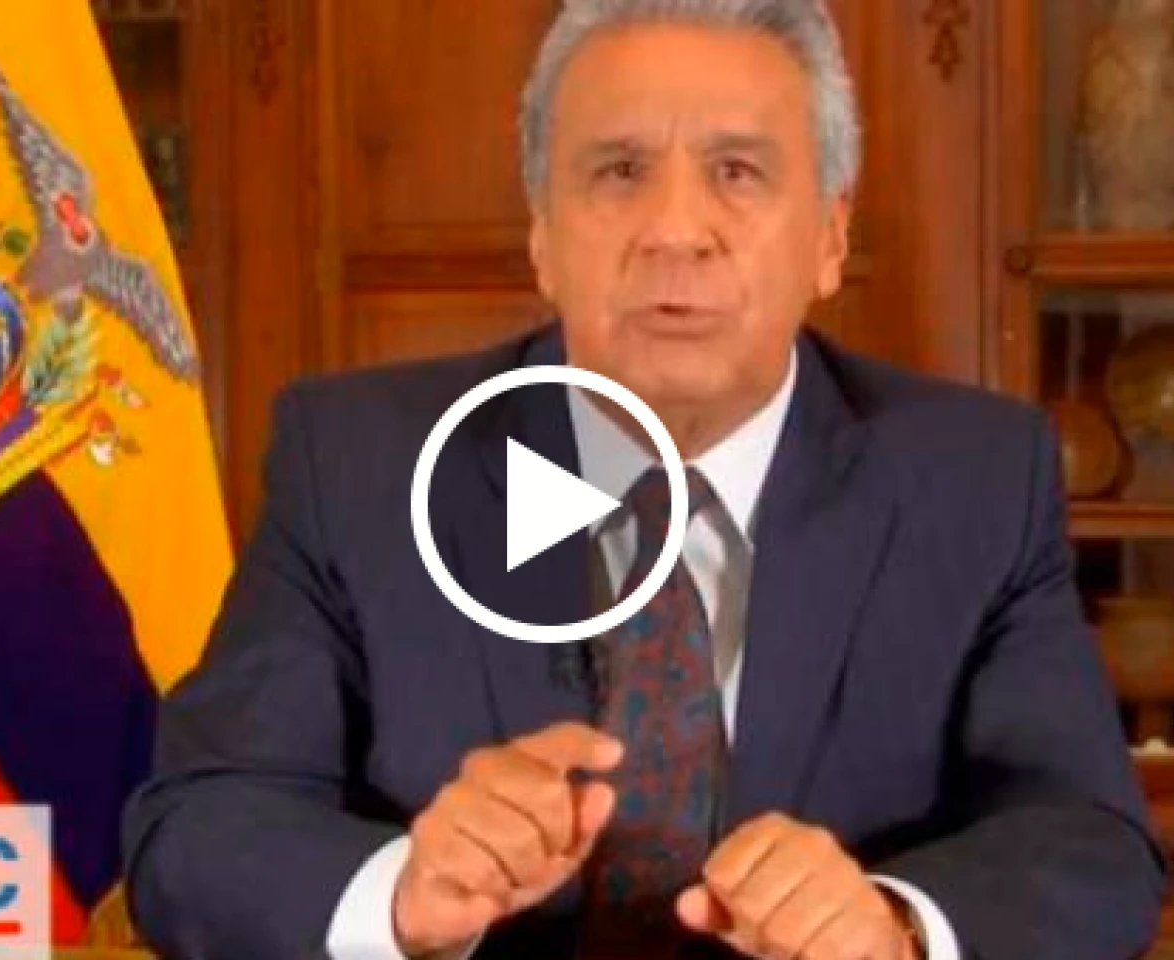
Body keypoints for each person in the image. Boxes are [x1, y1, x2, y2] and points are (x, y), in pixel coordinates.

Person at [122, 1, 1166, 958]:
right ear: (541, 233)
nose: (674, 231)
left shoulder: (974, 480)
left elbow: (1087, 844)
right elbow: (197, 830)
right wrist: (400, 893)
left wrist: (895, 927)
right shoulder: (357, 462)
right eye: (619, 171)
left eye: (737, 171)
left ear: (830, 235)